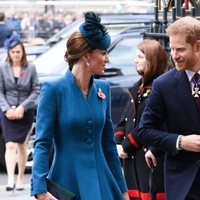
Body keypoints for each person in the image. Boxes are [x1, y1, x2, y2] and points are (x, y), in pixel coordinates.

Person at [31, 11, 129, 200]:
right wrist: (40, 189)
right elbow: (42, 143)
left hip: (103, 184)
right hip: (67, 182)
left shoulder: (103, 88)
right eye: (103, 53)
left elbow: (109, 145)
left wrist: (122, 190)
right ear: (86, 56)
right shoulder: (53, 89)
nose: (107, 59)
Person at [138, 16, 200, 200]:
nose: (174, 55)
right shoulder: (163, 84)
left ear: (198, 46)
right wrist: (180, 141)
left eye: (180, 49)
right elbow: (144, 131)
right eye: (172, 49)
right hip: (183, 184)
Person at [115, 39, 168, 200]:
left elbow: (145, 126)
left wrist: (126, 146)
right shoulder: (137, 88)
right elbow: (125, 120)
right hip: (132, 159)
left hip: (148, 156)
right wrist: (118, 142)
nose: (135, 60)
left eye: (140, 56)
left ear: (151, 60)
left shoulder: (158, 89)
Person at [0, 32, 40, 191]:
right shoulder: (3, 68)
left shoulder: (30, 67)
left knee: (23, 145)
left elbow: (36, 89)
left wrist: (23, 106)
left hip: (26, 111)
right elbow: (0, 91)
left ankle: (21, 179)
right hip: (7, 112)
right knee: (10, 145)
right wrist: (6, 108)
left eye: (18, 51)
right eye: (13, 52)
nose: (16, 55)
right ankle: (10, 180)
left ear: (23, 52)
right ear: (9, 53)